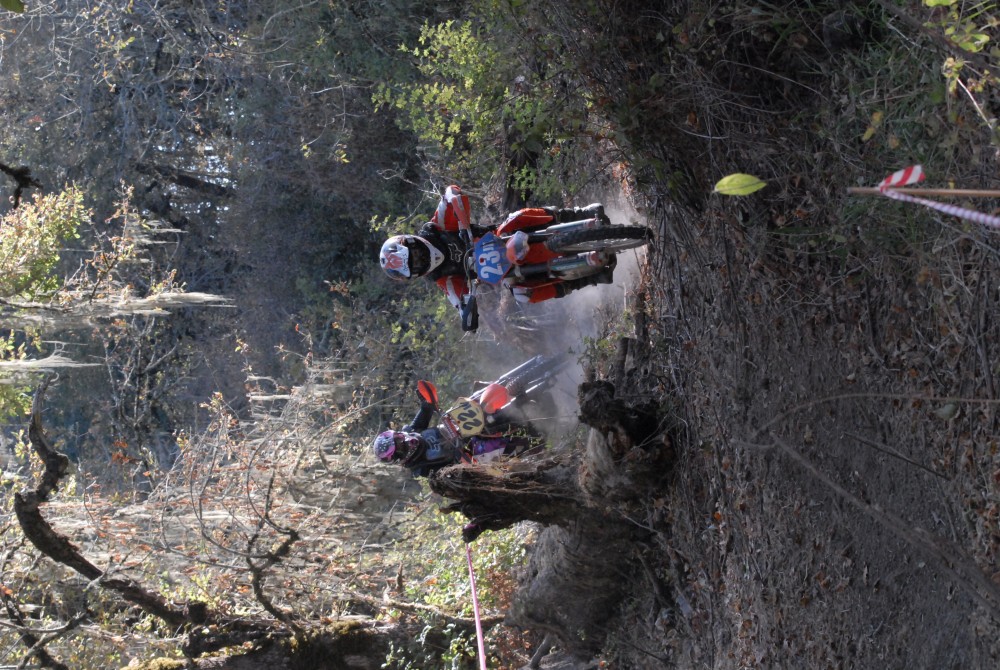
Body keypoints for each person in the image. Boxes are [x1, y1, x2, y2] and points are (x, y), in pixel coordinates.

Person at [378, 185, 616, 328]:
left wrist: (459, 213)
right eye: (416, 265)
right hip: (501, 270)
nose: (421, 260)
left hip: (500, 236)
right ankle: (590, 278)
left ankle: (577, 214)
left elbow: (451, 193)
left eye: (415, 254)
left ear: (411, 240)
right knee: (523, 294)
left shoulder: (435, 228)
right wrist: (467, 313)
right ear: (416, 275)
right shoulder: (443, 279)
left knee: (515, 218)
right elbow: (459, 302)